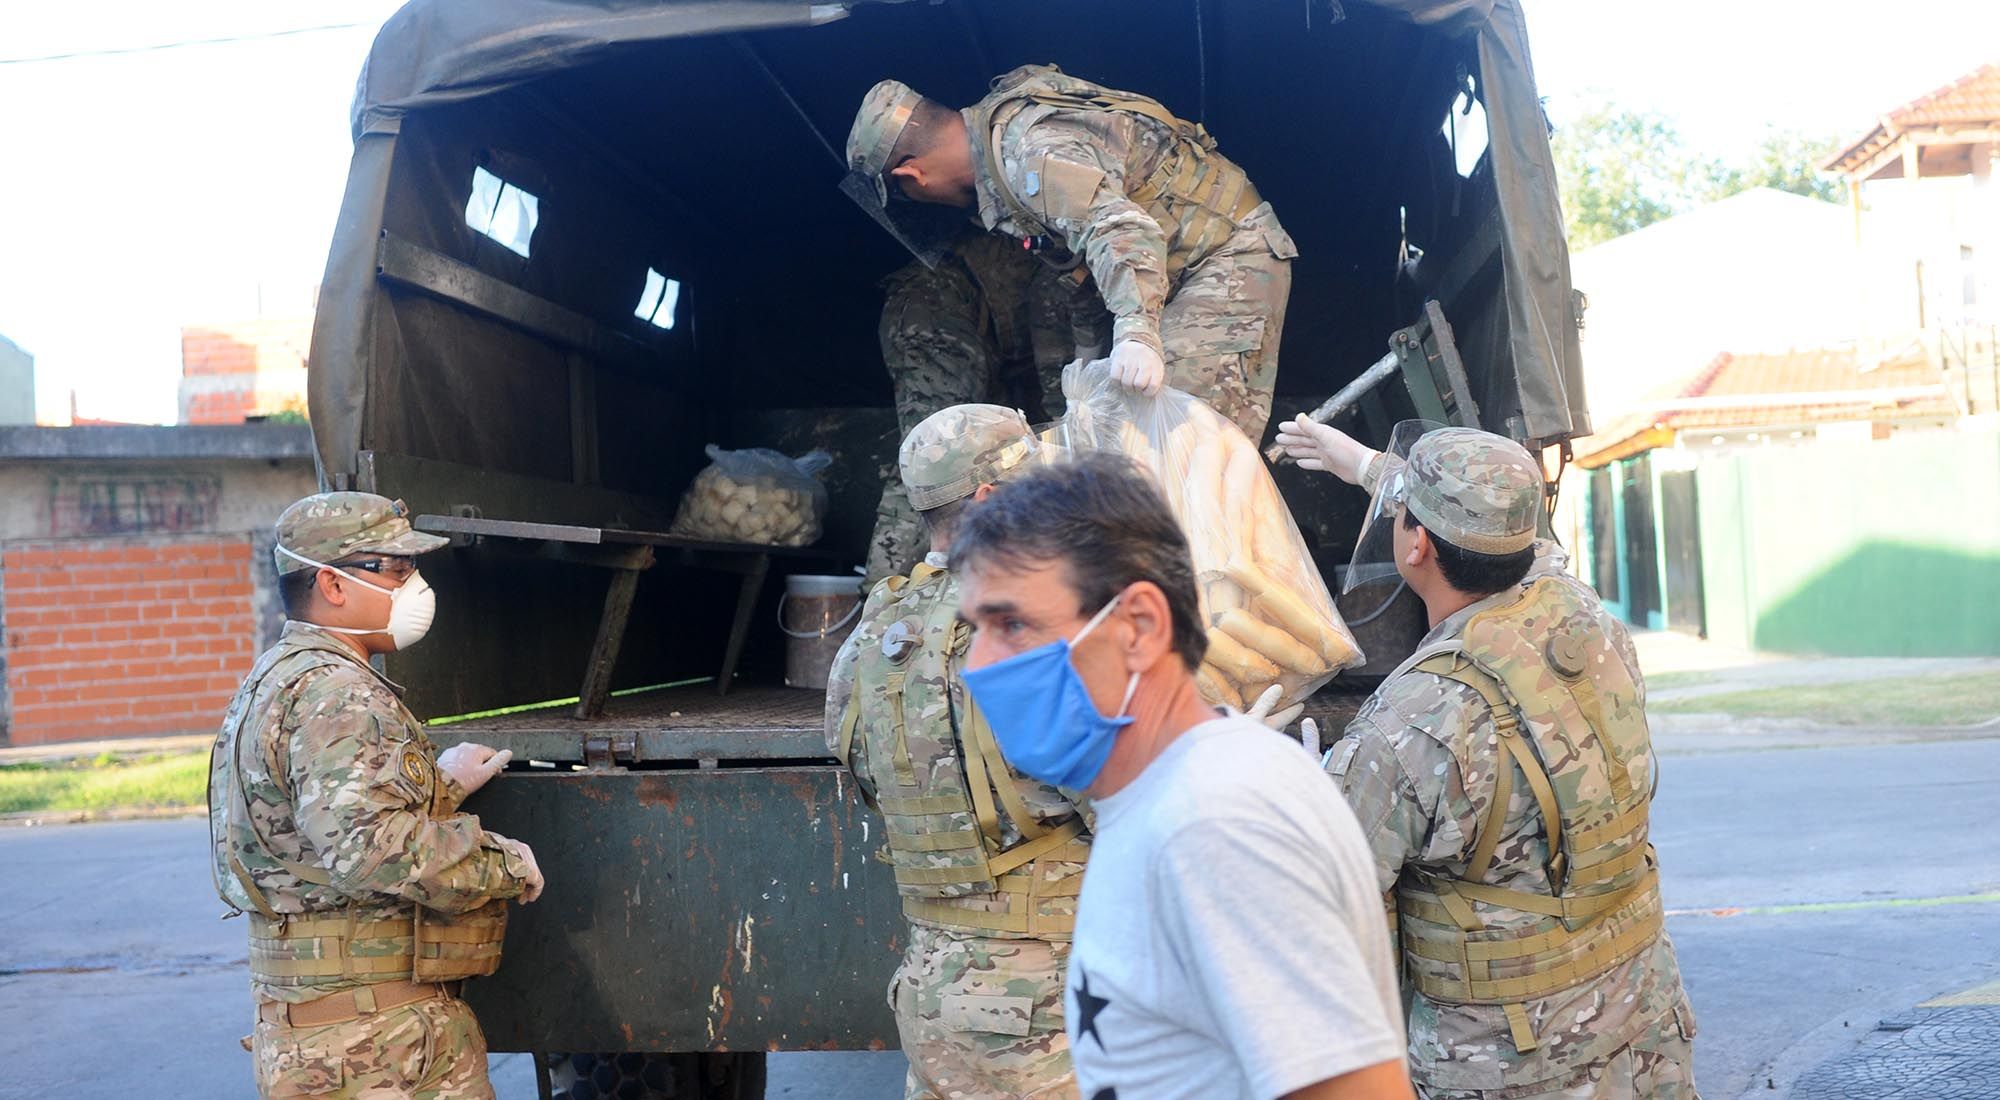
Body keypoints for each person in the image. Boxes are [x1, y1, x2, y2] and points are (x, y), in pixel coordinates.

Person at [950, 454, 1414, 1100]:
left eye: (1012, 624)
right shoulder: (1161, 801)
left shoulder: (1213, 822)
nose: (978, 665)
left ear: (1138, 626)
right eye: (975, 629)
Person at [1274, 417, 1698, 1099]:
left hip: (1511, 1063)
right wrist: (1369, 468)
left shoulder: (1410, 720)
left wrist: (1276, 779)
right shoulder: (1586, 619)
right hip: (1641, 1025)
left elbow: (1317, 894)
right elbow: (1511, 534)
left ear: (1415, 544)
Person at [209, 492, 545, 1100]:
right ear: (333, 585)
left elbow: (305, 824)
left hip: (320, 1036)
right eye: (394, 569)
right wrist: (502, 863)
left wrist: (438, 784)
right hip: (381, 1046)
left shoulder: (278, 677)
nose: (414, 584)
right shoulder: (339, 694)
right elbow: (372, 851)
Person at [826, 405, 1094, 1100]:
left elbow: (856, 761)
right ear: (990, 498)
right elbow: (1126, 802)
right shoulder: (1038, 623)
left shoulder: (876, 631)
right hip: (1038, 998)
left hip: (929, 986)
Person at [843, 64, 1297, 444]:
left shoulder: (1027, 153)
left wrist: (1136, 332)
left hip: (1227, 256)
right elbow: (1078, 262)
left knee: (1169, 449)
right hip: (1179, 270)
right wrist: (1088, 351)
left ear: (912, 175)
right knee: (1118, 444)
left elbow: (1121, 229)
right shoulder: (999, 168)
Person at [864, 232, 1108, 586]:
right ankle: (881, 591)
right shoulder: (1055, 280)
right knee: (937, 466)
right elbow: (1060, 395)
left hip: (957, 316)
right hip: (935, 320)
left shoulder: (1057, 255)